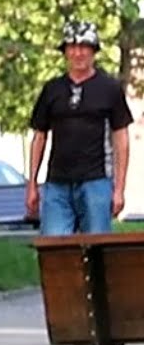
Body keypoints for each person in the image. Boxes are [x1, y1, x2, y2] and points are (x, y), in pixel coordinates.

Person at [26, 20, 132, 235]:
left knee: (96, 246)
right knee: (55, 246)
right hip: (57, 183)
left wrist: (119, 189)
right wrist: (32, 184)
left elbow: (121, 139)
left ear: (93, 51)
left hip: (97, 181)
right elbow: (39, 137)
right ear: (65, 52)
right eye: (72, 47)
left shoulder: (109, 88)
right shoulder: (52, 89)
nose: (78, 53)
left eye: (84, 47)